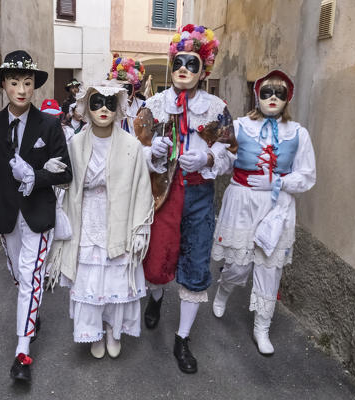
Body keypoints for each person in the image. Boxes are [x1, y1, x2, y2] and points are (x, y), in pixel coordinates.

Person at [133, 24, 236, 374]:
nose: (183, 69)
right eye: (179, 61)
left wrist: (208, 158)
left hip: (198, 195)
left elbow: (231, 152)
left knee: (194, 264)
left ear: (203, 69)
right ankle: (156, 298)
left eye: (192, 64)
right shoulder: (153, 106)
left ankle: (182, 338)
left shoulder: (216, 108)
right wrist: (153, 153)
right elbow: (135, 151)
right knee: (159, 256)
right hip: (162, 192)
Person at [0, 50, 72, 381]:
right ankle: (31, 311)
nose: (22, 90)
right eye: (15, 82)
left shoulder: (49, 124)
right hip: (5, 214)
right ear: (4, 84)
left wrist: (35, 175)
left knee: (29, 277)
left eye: (28, 83)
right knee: (19, 275)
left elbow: (65, 173)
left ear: (34, 86)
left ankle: (22, 353)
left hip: (39, 214)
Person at [210, 70, 316, 355]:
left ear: (288, 98)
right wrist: (209, 160)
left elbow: (307, 175)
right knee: (238, 265)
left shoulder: (298, 133)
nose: (272, 98)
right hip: (242, 201)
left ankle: (262, 328)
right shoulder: (241, 125)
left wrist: (279, 181)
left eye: (278, 93)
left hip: (277, 206)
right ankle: (224, 289)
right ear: (257, 95)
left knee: (270, 268)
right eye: (266, 92)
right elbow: (224, 158)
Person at [48, 83, 153, 360]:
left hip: (119, 219)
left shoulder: (132, 146)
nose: (103, 108)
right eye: (96, 103)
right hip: (86, 220)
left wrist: (141, 227)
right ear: (86, 108)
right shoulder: (75, 143)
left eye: (108, 103)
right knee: (90, 280)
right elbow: (65, 184)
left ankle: (112, 331)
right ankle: (92, 332)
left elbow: (143, 187)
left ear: (118, 108)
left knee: (115, 279)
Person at [106, 54, 146, 135]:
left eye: (127, 87)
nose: (124, 90)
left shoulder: (143, 105)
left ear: (134, 87)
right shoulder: (110, 106)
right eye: (120, 86)